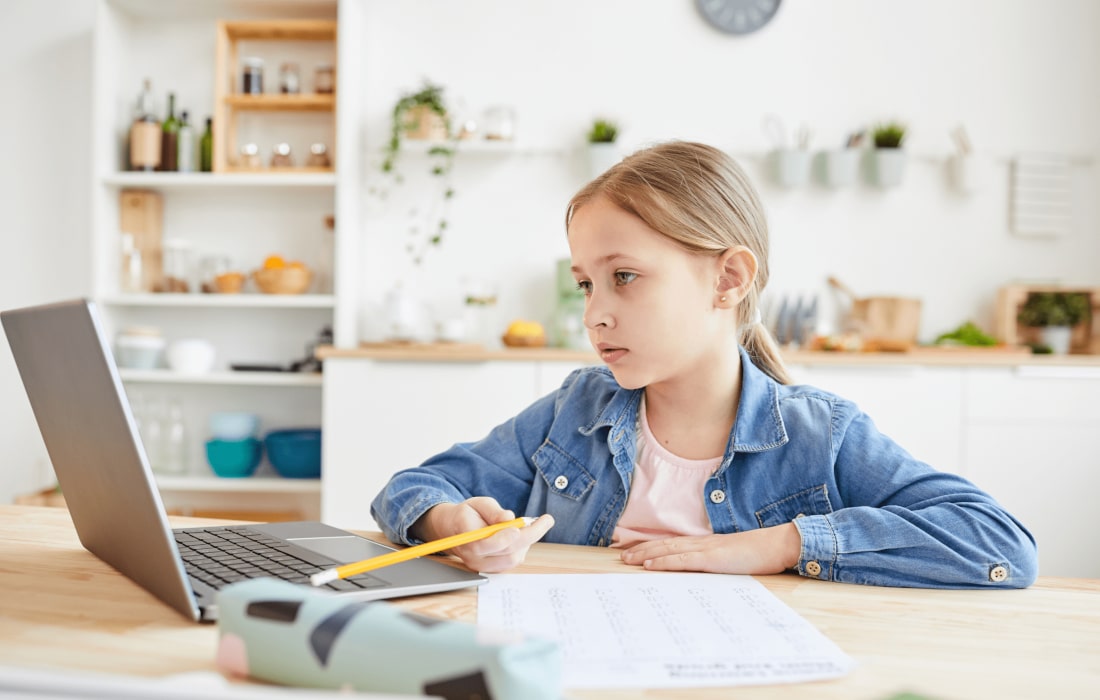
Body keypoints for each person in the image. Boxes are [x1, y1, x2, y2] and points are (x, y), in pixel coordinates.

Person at [371, 140, 1038, 589]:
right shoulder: (573, 413)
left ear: (728, 279)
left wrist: (782, 545)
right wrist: (448, 525)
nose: (595, 313)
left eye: (624, 276)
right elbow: (413, 486)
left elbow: (998, 544)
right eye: (586, 283)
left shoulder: (817, 434)